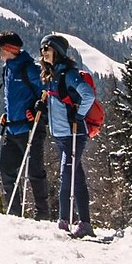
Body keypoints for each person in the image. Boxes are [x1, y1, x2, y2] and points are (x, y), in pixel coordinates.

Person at [40, 34, 97, 238]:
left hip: (74, 134)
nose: (43, 52)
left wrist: (78, 114)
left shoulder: (68, 75)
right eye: (42, 49)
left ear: (57, 51)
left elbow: (88, 95)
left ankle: (63, 222)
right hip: (62, 134)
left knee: (67, 175)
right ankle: (85, 223)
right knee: (77, 178)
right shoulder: (51, 75)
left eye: (47, 48)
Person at [0, 31, 49, 219]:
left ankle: (42, 214)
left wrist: (35, 109)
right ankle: (14, 213)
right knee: (6, 170)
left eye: (0, 48)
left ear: (9, 49)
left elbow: (46, 92)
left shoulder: (29, 69)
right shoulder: (7, 69)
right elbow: (12, 98)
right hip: (12, 127)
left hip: (30, 128)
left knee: (34, 172)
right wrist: (6, 114)